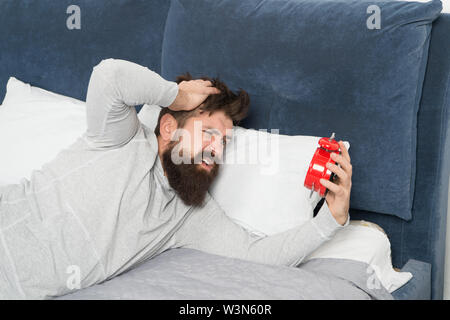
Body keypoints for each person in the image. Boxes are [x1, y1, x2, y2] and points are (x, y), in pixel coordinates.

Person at [0, 58, 353, 299]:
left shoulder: (189, 214)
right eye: (210, 134)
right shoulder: (121, 138)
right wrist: (178, 95)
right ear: (168, 127)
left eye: (225, 143)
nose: (217, 151)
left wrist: (330, 220)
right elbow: (109, 76)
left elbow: (257, 255)